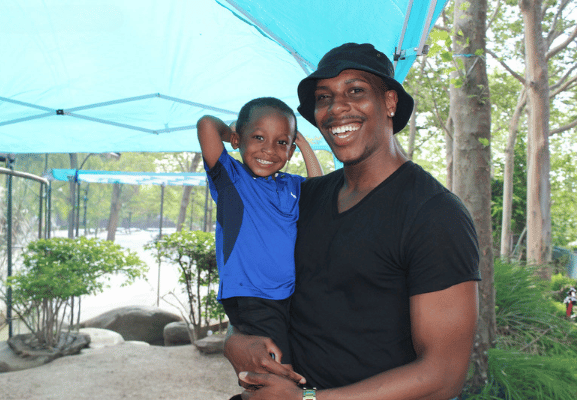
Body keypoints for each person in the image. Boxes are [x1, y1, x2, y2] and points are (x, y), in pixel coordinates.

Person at [225, 43, 480, 400]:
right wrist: (235, 341)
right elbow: (258, 290)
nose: (336, 108)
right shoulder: (305, 199)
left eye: (356, 91)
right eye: (323, 97)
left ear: (389, 102)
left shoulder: (434, 214)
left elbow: (443, 375)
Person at [196, 97, 322, 369]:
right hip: (252, 297)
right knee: (278, 370)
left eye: (281, 142)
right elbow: (206, 125)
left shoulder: (292, 185)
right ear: (239, 140)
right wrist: (232, 134)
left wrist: (302, 143)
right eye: (258, 137)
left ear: (290, 151)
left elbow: (320, 190)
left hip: (287, 296)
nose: (269, 149)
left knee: (297, 363)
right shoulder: (232, 179)